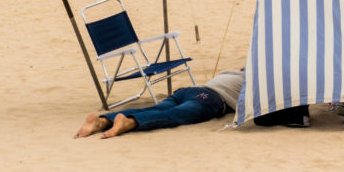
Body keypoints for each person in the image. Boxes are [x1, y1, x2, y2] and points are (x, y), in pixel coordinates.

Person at [76, 70, 247, 138]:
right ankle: (129, 122)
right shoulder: (251, 80)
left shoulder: (230, 73)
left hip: (188, 90)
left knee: (155, 108)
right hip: (209, 98)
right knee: (172, 116)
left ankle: (103, 120)